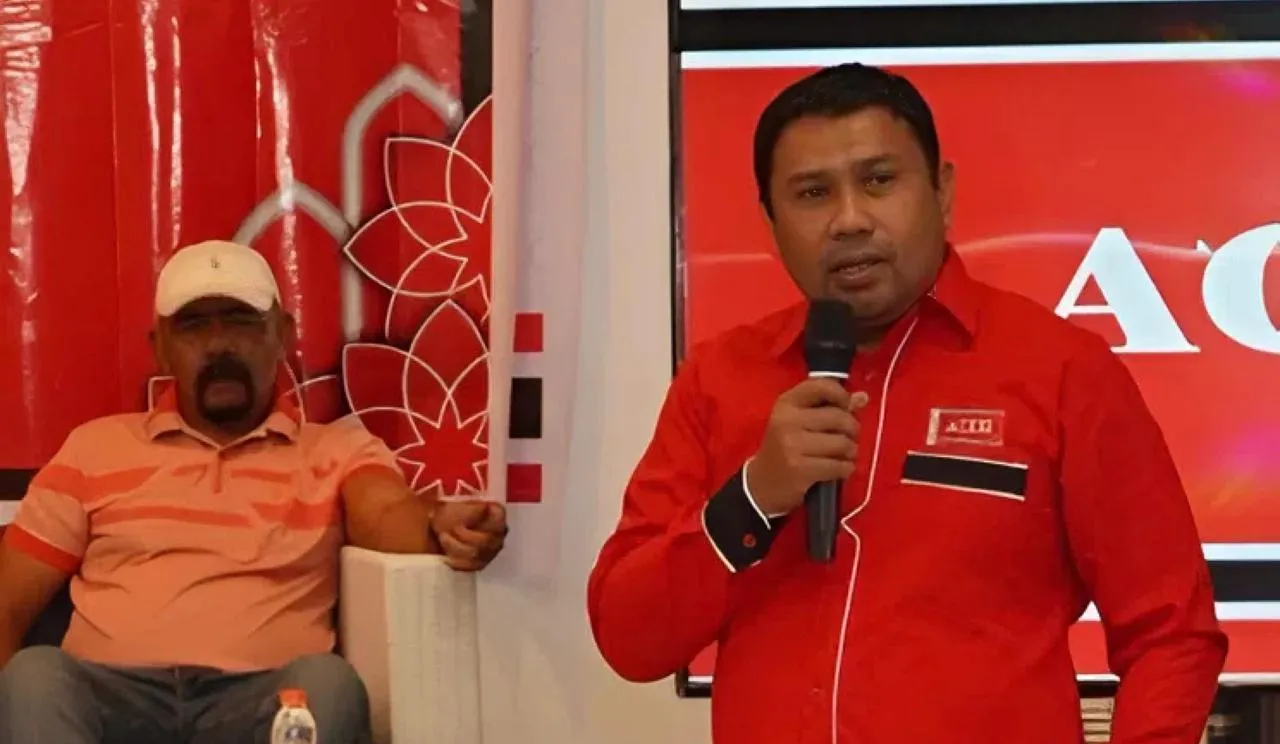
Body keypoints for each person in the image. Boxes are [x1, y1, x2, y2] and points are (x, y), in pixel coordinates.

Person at [587, 63, 1226, 744]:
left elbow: (1171, 633)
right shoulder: (720, 378)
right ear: (770, 220)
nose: (849, 220)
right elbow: (630, 639)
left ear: (942, 192)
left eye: (879, 181)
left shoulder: (1061, 370)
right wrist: (753, 498)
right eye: (812, 193)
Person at [0, 240, 508, 744]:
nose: (219, 344)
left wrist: (440, 527)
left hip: (265, 704)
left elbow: (387, 513)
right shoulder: (94, 448)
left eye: (241, 321)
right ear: (160, 347)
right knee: (35, 677)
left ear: (282, 334)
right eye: (193, 325)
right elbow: (6, 605)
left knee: (327, 684)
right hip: (112, 700)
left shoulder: (337, 450)